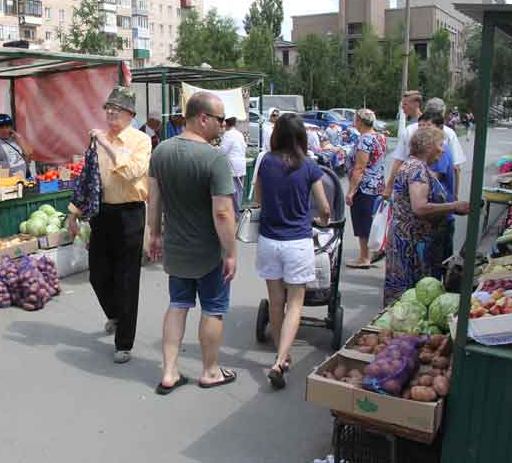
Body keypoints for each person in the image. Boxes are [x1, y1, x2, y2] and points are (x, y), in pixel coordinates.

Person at [147, 91, 238, 395]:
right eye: (220, 119)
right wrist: (231, 252)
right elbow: (223, 212)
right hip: (209, 252)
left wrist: (155, 233)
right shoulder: (214, 158)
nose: (223, 126)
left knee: (177, 305)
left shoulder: (160, 152)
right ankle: (210, 371)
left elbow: (154, 198)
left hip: (177, 249)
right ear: (202, 118)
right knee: (212, 309)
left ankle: (170, 372)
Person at [67, 86, 151, 364]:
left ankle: (124, 342)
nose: (111, 114)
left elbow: (131, 173)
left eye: (118, 110)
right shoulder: (98, 142)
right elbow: (88, 179)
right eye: (108, 109)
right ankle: (116, 314)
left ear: (131, 114)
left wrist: (107, 145)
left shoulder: (140, 141)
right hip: (102, 213)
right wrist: (73, 212)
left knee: (127, 278)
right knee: (98, 273)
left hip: (130, 213)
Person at [255, 113, 330, 389]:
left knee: (276, 302)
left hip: (269, 240)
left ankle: (280, 354)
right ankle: (280, 360)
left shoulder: (265, 161)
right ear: (301, 137)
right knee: (295, 303)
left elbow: (258, 200)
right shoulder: (309, 166)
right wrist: (321, 221)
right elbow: (324, 208)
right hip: (297, 242)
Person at [383, 127, 470, 307]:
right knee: (410, 300)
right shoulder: (417, 170)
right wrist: (454, 206)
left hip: (409, 241)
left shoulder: (416, 166)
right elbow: (419, 207)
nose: (443, 149)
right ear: (428, 147)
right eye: (440, 144)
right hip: (412, 246)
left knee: (406, 299)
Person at [384, 97, 466, 202]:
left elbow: (399, 160)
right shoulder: (449, 133)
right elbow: (455, 167)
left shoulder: (410, 130)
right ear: (443, 114)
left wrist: (390, 186)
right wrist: (455, 195)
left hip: (419, 197)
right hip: (434, 199)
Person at [345, 109, 387, 269]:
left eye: (355, 120)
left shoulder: (365, 140)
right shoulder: (380, 137)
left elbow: (360, 168)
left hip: (364, 186)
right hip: (377, 184)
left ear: (360, 122)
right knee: (372, 220)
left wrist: (351, 191)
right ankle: (375, 251)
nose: (353, 122)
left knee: (363, 222)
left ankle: (364, 257)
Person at [418, 110, 457, 262]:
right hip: (435, 214)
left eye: (427, 126)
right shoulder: (429, 152)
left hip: (440, 215)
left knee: (438, 261)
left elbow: (432, 179)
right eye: (420, 126)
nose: (422, 130)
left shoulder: (440, 151)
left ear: (439, 128)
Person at [0, 114, 33, 178]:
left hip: (22, 178)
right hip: (5, 182)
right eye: (1, 127)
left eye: (7, 127)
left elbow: (28, 153)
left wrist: (19, 139)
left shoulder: (15, 138)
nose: (5, 130)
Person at [220, 117, 247, 217]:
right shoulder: (239, 134)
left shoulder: (228, 134)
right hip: (241, 165)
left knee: (233, 191)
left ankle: (234, 214)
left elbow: (222, 151)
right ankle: (237, 212)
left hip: (232, 166)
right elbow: (244, 147)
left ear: (226, 123)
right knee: (238, 191)